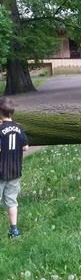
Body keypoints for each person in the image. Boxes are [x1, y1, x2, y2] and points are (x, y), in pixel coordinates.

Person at [0, 97, 29, 238]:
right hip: (15, 171)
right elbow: (25, 147)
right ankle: (14, 230)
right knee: (12, 202)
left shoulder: (0, 129)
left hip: (1, 171)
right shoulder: (19, 128)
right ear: (12, 112)